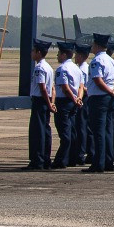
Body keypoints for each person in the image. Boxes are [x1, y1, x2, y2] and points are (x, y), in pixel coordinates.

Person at [84, 33, 114, 173]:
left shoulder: (96, 61)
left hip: (99, 98)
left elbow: (98, 80)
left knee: (98, 131)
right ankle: (108, 161)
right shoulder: (111, 60)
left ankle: (98, 163)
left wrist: (111, 91)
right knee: (108, 131)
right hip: (110, 99)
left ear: (97, 45)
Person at [51, 41, 84, 169]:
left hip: (64, 101)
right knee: (72, 131)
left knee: (65, 133)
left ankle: (61, 159)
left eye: (59, 53)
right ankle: (72, 157)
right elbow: (81, 86)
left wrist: (73, 98)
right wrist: (78, 98)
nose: (57, 56)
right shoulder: (77, 68)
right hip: (74, 102)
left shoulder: (62, 69)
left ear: (64, 55)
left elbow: (65, 87)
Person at [24, 39, 55, 171]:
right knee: (45, 130)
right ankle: (45, 159)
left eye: (33, 51)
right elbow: (52, 88)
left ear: (38, 52)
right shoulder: (48, 67)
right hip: (46, 101)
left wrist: (48, 104)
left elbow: (43, 88)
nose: (31, 53)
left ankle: (38, 161)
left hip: (40, 101)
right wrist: (52, 103)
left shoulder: (39, 68)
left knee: (38, 132)